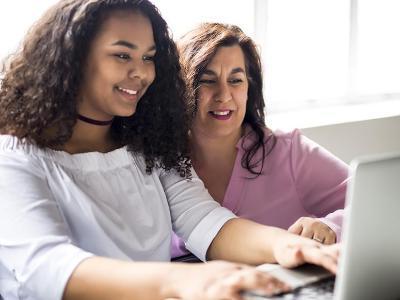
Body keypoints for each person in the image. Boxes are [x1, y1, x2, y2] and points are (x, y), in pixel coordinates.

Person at [0, 2, 339, 300]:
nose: (142, 72)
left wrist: (287, 246)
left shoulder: (146, 144)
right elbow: (46, 267)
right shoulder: (14, 156)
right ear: (71, 57)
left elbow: (206, 221)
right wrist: (182, 281)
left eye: (148, 57)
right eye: (122, 55)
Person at [172, 23, 347, 258]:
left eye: (235, 80)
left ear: (249, 89)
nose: (224, 95)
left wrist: (332, 226)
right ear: (181, 86)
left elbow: (381, 202)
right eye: (207, 80)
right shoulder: (157, 164)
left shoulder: (290, 153)